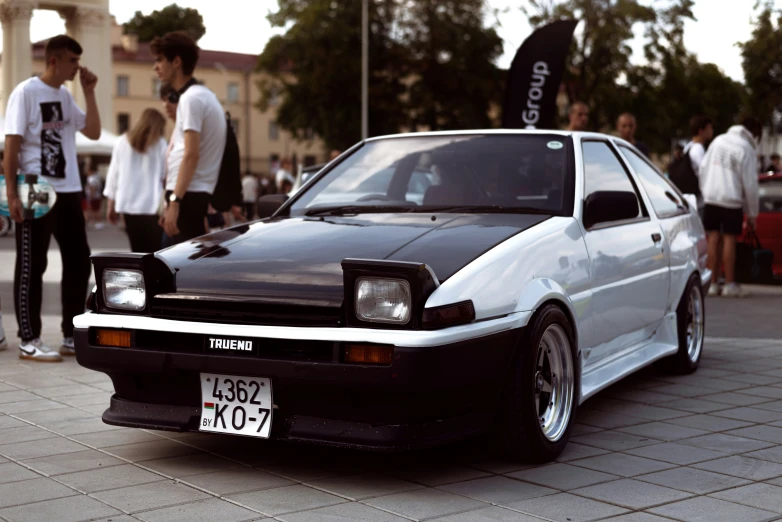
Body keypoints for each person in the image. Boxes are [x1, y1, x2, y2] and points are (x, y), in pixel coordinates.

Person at [3, 34, 100, 361]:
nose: (78, 66)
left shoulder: (64, 95)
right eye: (73, 61)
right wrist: (11, 192)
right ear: (55, 60)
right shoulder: (26, 92)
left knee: (78, 259)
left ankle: (71, 335)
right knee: (33, 263)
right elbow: (12, 144)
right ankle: (28, 339)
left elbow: (94, 132)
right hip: (35, 185)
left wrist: (89, 92)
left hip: (69, 187)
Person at [152, 31, 227, 246]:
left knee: (172, 271)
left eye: (159, 60)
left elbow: (191, 155)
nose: (155, 67)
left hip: (188, 197)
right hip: (190, 195)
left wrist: (175, 202)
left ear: (176, 62)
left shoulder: (191, 99)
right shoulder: (201, 96)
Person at [699, 117, 762, 298]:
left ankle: (712, 283)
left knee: (713, 237)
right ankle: (729, 284)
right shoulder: (746, 147)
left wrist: (707, 190)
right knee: (729, 239)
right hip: (731, 198)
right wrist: (752, 214)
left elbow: (703, 168)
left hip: (711, 196)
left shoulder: (718, 140)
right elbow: (750, 184)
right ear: (754, 133)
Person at [104, 108, 168, 252]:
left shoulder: (121, 142)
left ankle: (141, 275)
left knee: (137, 250)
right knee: (154, 252)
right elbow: (165, 175)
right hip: (152, 206)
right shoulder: (160, 144)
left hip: (129, 206)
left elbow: (113, 175)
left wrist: (110, 205)